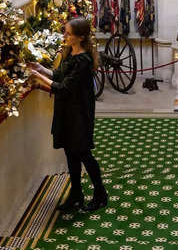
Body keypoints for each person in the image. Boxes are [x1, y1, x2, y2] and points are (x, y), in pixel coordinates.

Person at [27, 17, 108, 212]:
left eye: (68, 33)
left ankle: (100, 193)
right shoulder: (69, 53)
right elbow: (59, 74)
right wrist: (41, 69)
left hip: (79, 113)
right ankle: (76, 195)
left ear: (80, 37)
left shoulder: (84, 60)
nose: (64, 36)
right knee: (70, 154)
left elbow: (63, 87)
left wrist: (38, 78)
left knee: (83, 154)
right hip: (66, 111)